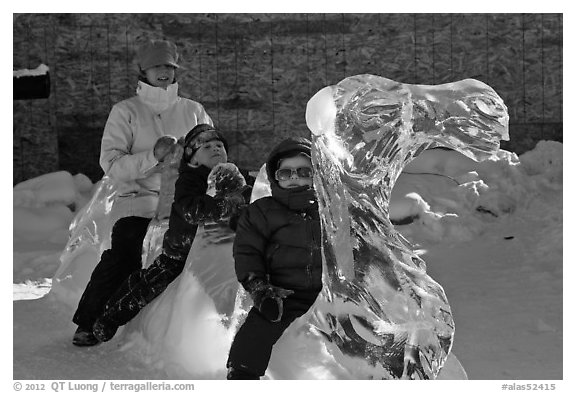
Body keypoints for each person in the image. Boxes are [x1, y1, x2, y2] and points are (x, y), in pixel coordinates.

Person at [72, 39, 213, 346]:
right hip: (136, 201)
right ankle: (89, 321)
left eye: (168, 66)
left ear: (175, 70)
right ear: (143, 70)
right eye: (155, 66)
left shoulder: (194, 111)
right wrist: (154, 156)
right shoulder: (125, 111)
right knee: (126, 252)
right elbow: (111, 164)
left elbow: (212, 152)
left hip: (183, 204)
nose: (162, 72)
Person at [91, 124, 254, 343]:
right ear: (192, 159)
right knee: (152, 283)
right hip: (181, 249)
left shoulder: (231, 176)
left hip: (215, 249)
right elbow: (191, 209)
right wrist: (223, 205)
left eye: (219, 145)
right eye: (206, 146)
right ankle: (112, 316)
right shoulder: (189, 180)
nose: (215, 149)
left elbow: (247, 197)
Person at [226, 137, 322, 379]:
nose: (294, 178)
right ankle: (242, 374)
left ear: (316, 174)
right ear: (274, 177)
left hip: (328, 291)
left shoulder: (328, 210)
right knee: (260, 326)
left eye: (303, 171)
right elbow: (248, 252)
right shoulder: (262, 212)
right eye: (285, 173)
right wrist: (260, 289)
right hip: (286, 293)